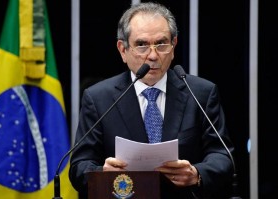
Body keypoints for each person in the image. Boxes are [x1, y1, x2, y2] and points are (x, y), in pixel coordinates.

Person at [69, 2, 235, 199]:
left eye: (162, 43)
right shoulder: (99, 98)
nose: (153, 56)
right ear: (123, 50)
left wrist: (197, 174)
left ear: (173, 46)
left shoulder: (201, 93)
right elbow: (79, 166)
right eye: (142, 45)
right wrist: (102, 173)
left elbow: (223, 156)